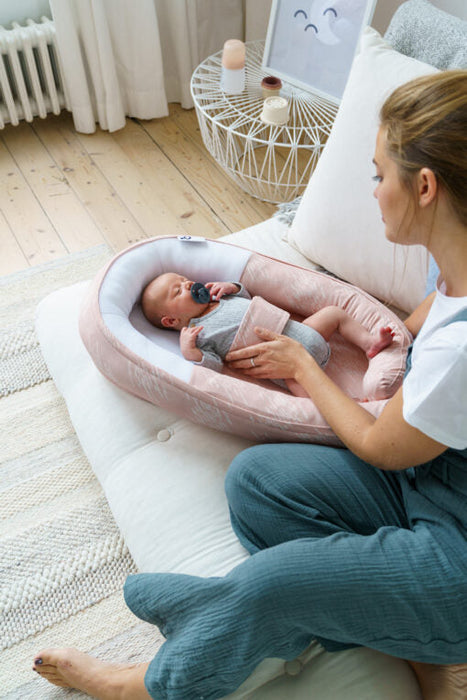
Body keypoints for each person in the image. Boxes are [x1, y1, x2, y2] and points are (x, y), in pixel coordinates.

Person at [33, 70, 467, 700]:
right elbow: (435, 308)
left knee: (276, 584)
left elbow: (377, 444)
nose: (372, 191)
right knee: (258, 482)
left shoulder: (461, 351)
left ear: (424, 186)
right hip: (428, 481)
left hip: (454, 557)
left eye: (379, 175)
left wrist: (303, 365)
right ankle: (349, 618)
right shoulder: (457, 263)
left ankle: (148, 683)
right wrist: (393, 332)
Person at [140, 272, 394, 395]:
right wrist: (192, 353)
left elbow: (247, 297)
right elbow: (214, 365)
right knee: (304, 392)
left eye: (184, 280)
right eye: (178, 291)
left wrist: (233, 287)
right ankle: (340, 407)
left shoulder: (220, 297)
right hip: (286, 369)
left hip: (305, 333)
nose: (187, 284)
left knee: (333, 313)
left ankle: (369, 342)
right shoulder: (198, 334)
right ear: (171, 319)